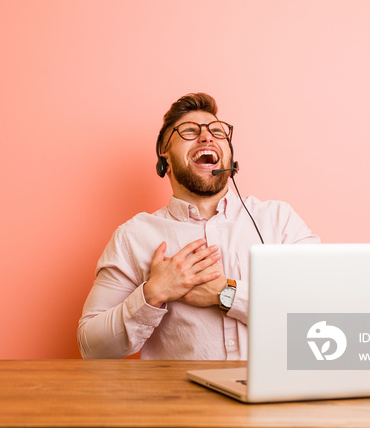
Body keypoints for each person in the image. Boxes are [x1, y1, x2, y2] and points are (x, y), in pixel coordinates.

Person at [77, 93, 319, 360]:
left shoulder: (278, 220)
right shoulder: (133, 236)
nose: (207, 137)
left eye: (217, 131)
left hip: (274, 398)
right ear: (164, 159)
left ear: (230, 156)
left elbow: (321, 311)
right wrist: (153, 294)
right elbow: (92, 348)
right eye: (189, 131)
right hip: (180, 401)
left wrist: (226, 293)